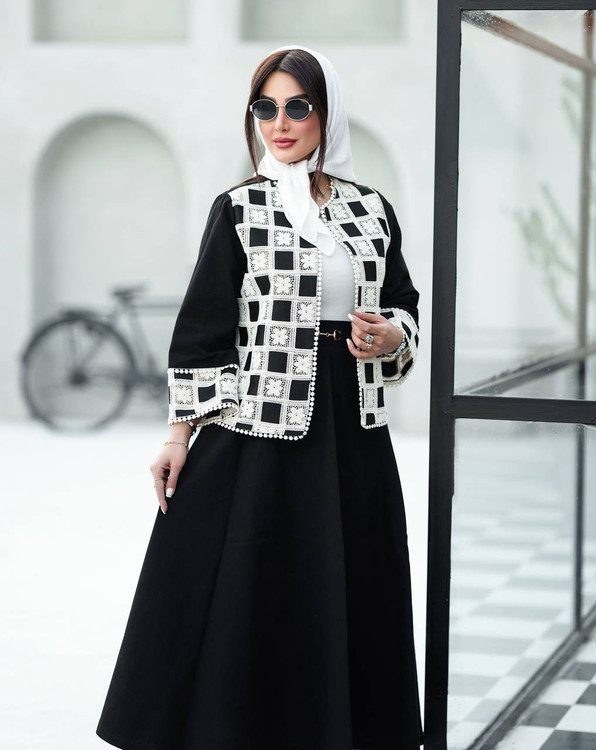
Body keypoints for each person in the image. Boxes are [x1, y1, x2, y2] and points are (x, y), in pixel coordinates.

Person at [96, 44, 423, 750]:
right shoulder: (240, 209)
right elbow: (202, 330)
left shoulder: (371, 210)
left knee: (347, 584)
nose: (280, 123)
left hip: (352, 432)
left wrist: (392, 334)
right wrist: (178, 436)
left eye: (297, 107)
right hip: (256, 433)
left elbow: (404, 302)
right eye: (265, 108)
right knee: (252, 586)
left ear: (326, 114)